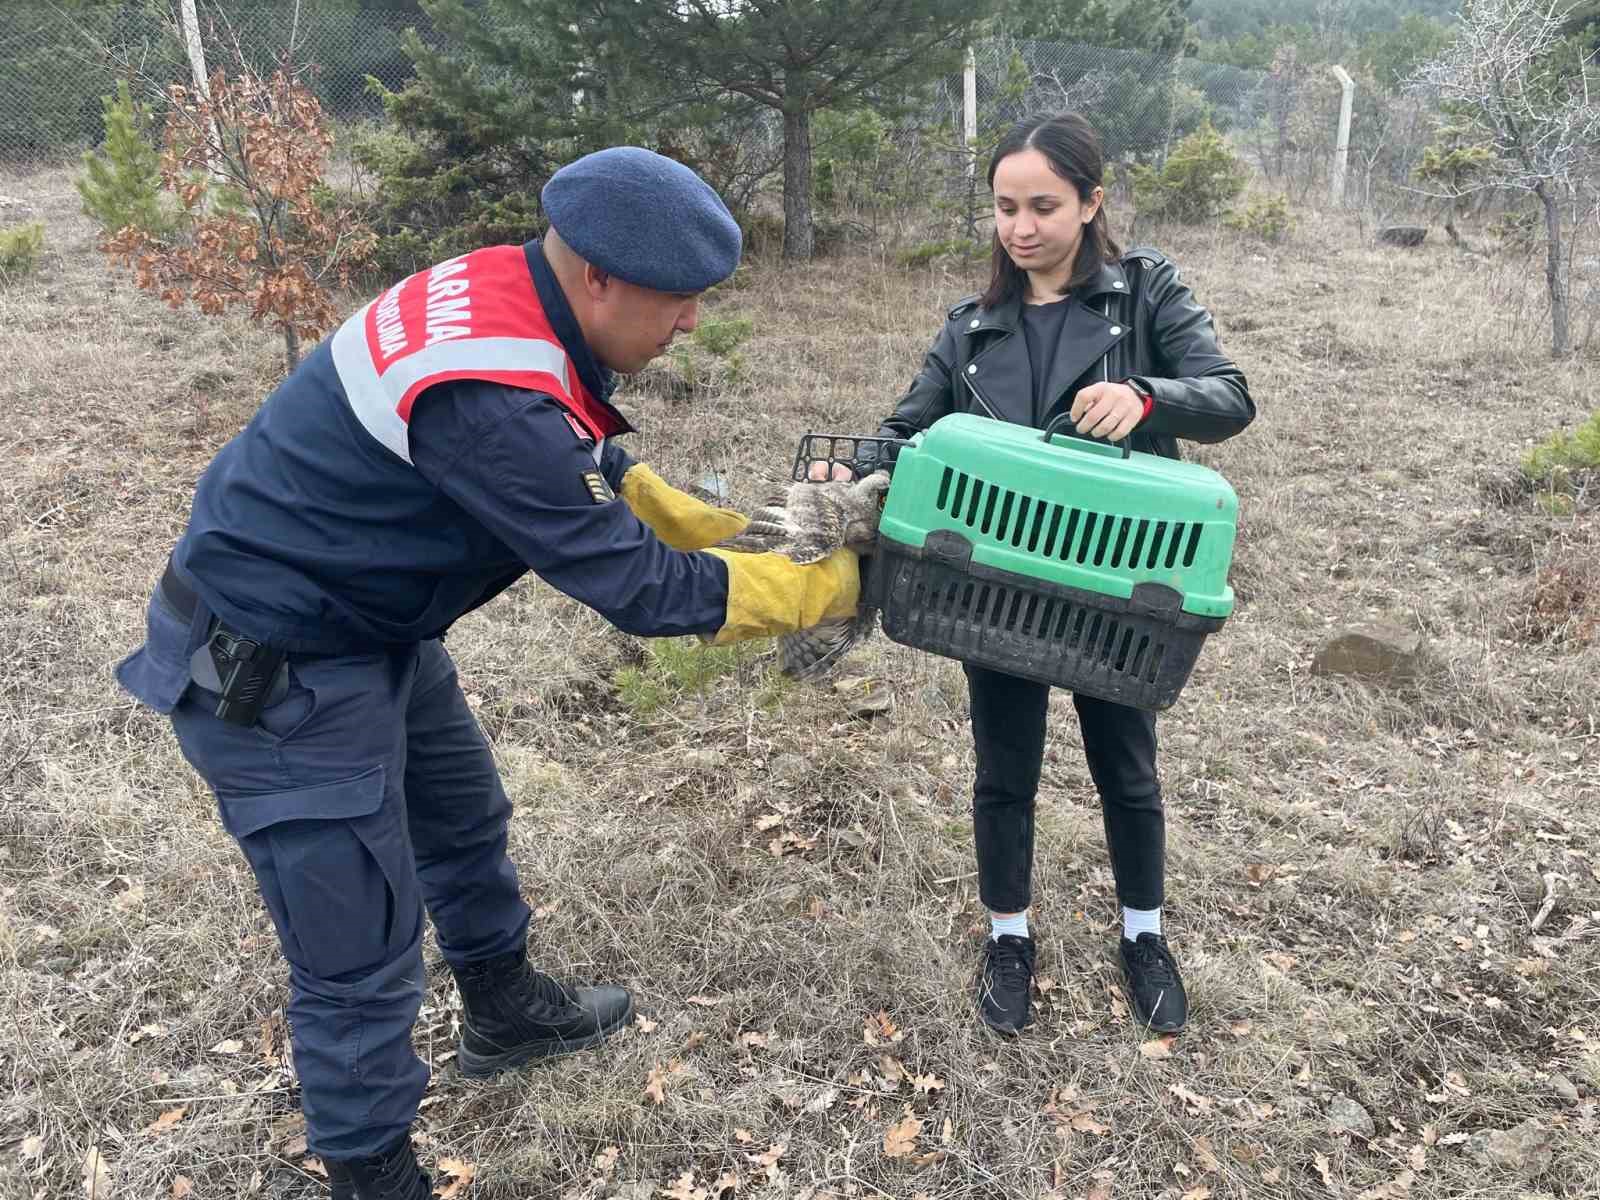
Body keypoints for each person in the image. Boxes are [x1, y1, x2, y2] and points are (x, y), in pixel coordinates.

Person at [114, 146, 860, 1200]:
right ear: (598, 276)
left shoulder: (512, 282)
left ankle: (504, 1010)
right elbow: (641, 590)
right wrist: (822, 590)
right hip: (278, 669)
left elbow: (564, 432)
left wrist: (654, 493)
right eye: (678, 299)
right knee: (357, 952)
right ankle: (372, 1176)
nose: (692, 322)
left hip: (368, 624)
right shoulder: (487, 399)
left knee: (462, 817)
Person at [866, 112, 1254, 1038]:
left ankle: (1144, 936)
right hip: (995, 583)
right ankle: (1009, 938)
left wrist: (1147, 395)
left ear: (1090, 202)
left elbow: (1230, 396)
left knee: (1127, 767)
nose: (1021, 227)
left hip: (1122, 582)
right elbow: (907, 425)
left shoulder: (1145, 293)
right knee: (1004, 767)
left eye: (1043, 206)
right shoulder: (973, 328)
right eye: (1005, 207)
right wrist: (861, 464)